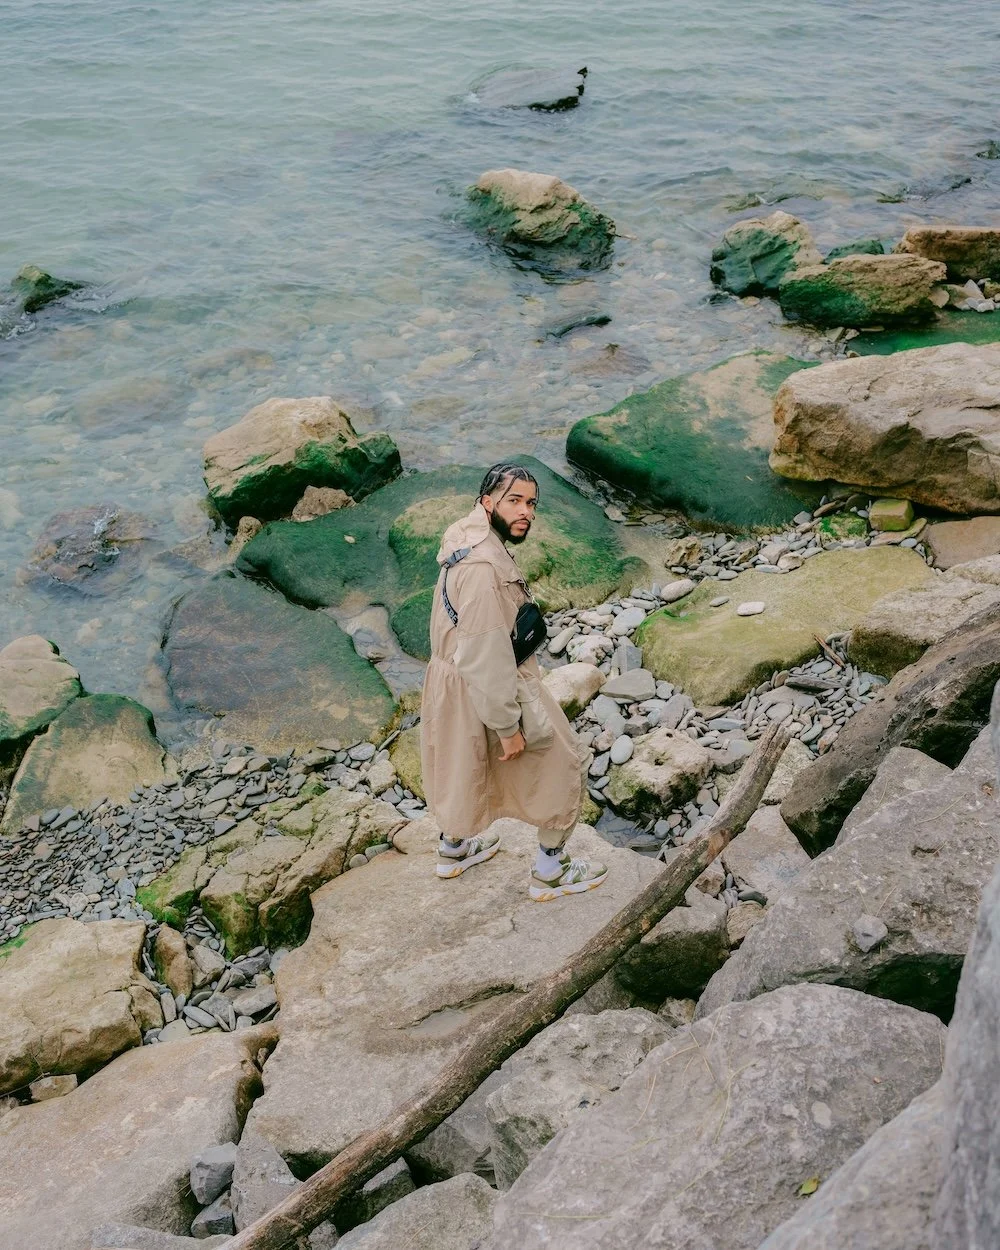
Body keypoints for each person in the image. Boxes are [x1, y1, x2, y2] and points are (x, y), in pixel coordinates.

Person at [420, 462, 607, 901]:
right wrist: (507, 728)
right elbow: (486, 656)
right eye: (515, 501)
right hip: (487, 679)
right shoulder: (484, 568)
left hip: (451, 681)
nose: (526, 512)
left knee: (460, 762)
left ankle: (453, 848)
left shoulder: (465, 538)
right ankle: (550, 871)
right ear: (487, 502)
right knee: (564, 762)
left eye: (531, 503)